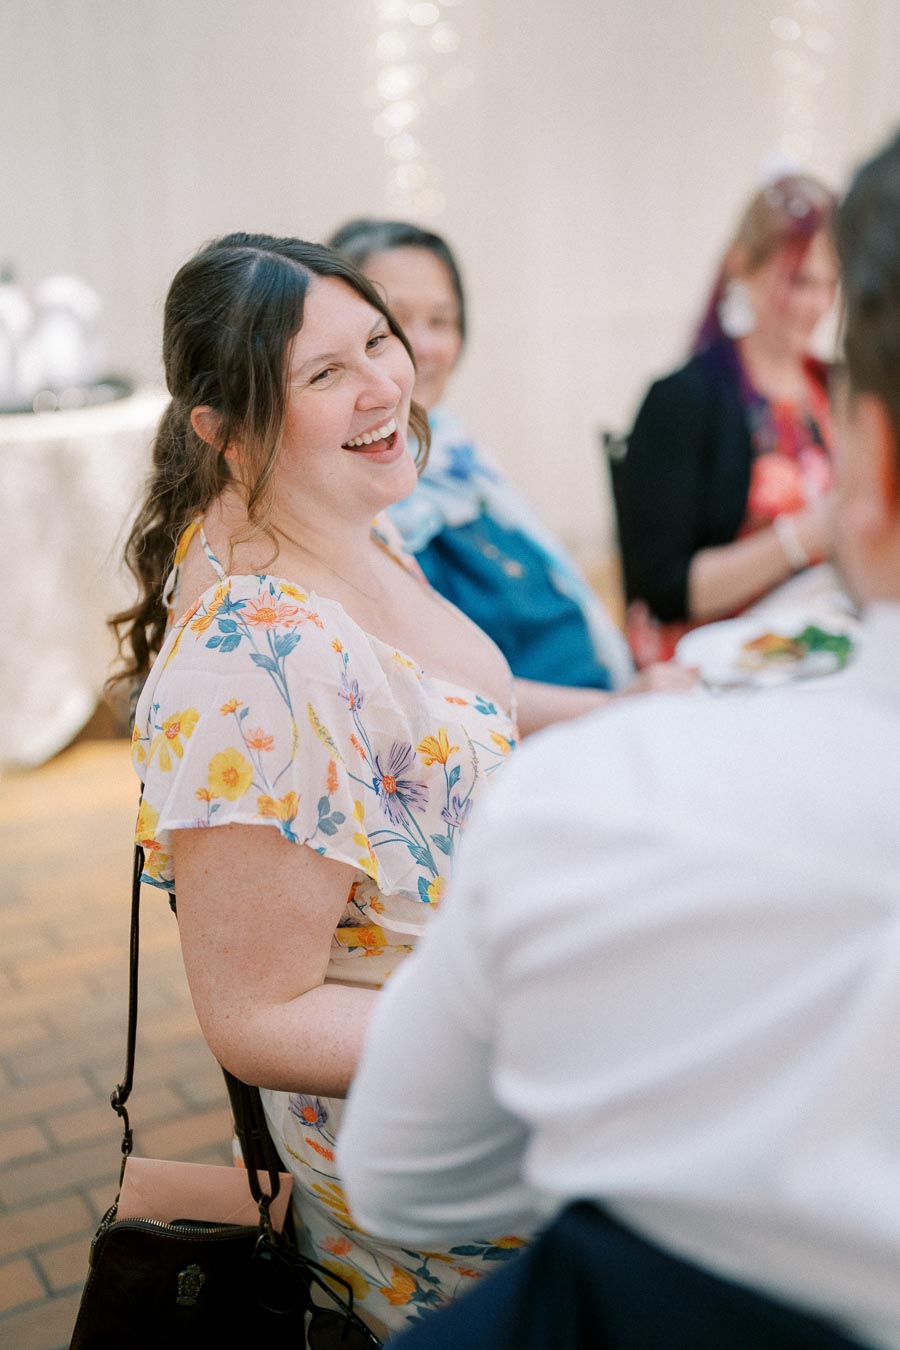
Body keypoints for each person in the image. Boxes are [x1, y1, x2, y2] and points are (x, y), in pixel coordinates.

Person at [339, 132, 900, 1349]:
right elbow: (643, 592)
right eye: (383, 334)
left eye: (427, 326)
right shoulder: (687, 404)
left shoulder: (607, 819)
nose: (409, 360)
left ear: (876, 462)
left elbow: (410, 1177)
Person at [110, 232, 561, 1340]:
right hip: (442, 1162)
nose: (385, 385)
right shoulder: (251, 660)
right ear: (223, 430)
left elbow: (451, 707)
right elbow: (255, 1016)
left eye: (378, 340)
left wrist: (649, 708)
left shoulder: (341, 517)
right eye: (324, 374)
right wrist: (540, 1028)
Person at [328, 217, 693, 702]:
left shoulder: (456, 453)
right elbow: (434, 698)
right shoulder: (356, 492)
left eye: (442, 321)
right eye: (393, 324)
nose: (427, 347)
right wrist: (613, 707)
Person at [615, 174, 840, 664]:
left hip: (821, 638)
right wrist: (807, 535)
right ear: (743, 266)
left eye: (830, 284)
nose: (817, 305)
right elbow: (663, 589)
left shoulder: (835, 388)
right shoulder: (683, 401)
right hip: (715, 660)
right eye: (800, 281)